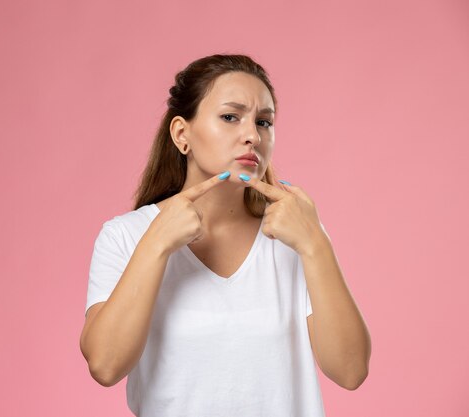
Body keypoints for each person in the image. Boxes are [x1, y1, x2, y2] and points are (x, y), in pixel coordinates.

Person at [80, 54, 370, 416]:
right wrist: (156, 245)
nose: (252, 135)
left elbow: (351, 370)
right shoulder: (125, 236)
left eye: (264, 122)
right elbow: (105, 366)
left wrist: (315, 245)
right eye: (230, 117)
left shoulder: (296, 236)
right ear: (182, 135)